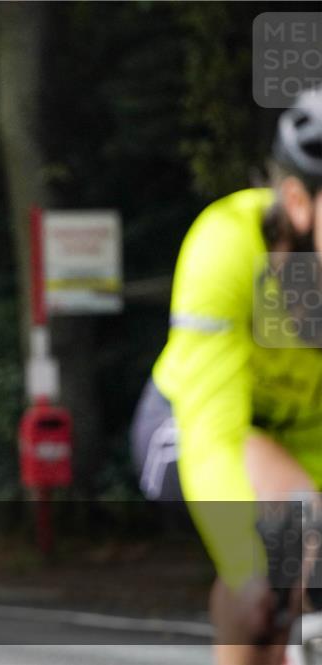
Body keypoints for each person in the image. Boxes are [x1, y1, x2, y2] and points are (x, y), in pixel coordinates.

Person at [131, 87, 322, 665]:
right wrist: (246, 567)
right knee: (277, 557)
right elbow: (214, 434)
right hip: (192, 424)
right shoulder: (228, 244)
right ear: (298, 201)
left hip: (305, 443)